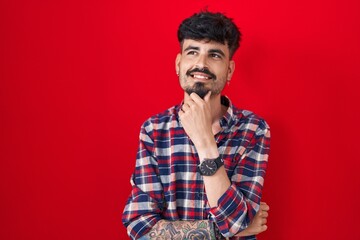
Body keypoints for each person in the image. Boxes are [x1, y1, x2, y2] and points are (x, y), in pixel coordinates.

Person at [122, 11, 271, 240]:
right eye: (193, 52)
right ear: (179, 64)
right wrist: (214, 231)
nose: (201, 64)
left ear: (229, 70)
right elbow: (139, 227)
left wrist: (204, 141)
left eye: (215, 55)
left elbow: (236, 222)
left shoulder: (253, 130)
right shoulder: (154, 130)